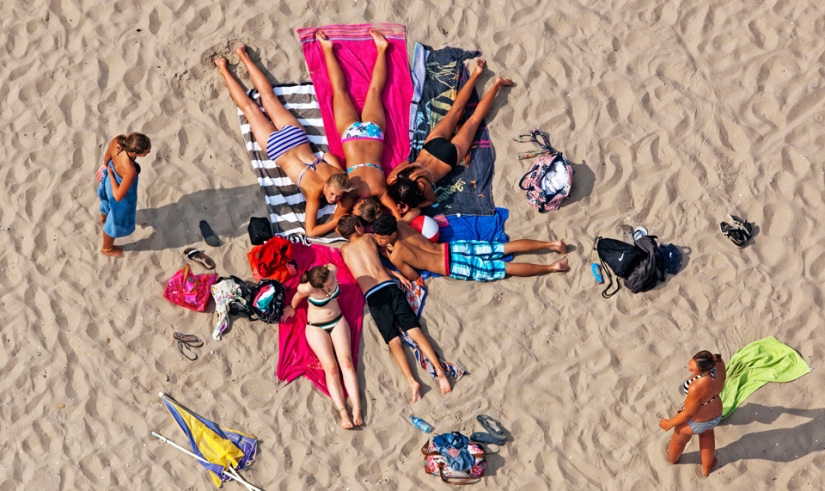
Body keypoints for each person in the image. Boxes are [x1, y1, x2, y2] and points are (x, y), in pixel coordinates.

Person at [215, 45, 356, 237]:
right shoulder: (315, 192)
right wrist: (336, 221)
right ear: (328, 186)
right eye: (333, 194)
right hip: (278, 149)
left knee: (266, 98)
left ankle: (240, 55)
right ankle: (223, 66)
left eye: (337, 196)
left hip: (296, 138)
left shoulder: (336, 173)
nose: (334, 199)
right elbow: (311, 232)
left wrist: (324, 161)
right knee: (250, 108)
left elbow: (329, 155)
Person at [336, 215, 451, 402]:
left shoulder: (344, 250)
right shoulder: (370, 238)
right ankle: (440, 371)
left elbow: (365, 266)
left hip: (373, 295)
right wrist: (396, 272)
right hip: (389, 286)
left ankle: (412, 382)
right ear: (358, 228)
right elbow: (378, 261)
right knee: (415, 331)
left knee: (394, 341)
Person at [386, 59, 513, 213]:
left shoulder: (422, 186)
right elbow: (406, 161)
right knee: (455, 110)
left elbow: (431, 200)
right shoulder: (396, 177)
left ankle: (497, 85)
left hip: (447, 158)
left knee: (473, 121)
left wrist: (412, 205)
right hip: (431, 147)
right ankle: (476, 73)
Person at [315, 30, 401, 219]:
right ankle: (328, 50)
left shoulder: (381, 191)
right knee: (339, 92)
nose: (351, 209)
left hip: (373, 134)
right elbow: (336, 221)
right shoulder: (351, 195)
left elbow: (398, 215)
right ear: (360, 203)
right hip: (350, 136)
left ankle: (382, 49)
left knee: (374, 91)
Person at [281, 264, 363, 429]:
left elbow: (331, 268)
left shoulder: (331, 270)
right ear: (319, 285)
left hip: (337, 320)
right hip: (316, 326)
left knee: (346, 363)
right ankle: (343, 412)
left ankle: (357, 408)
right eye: (329, 282)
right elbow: (297, 297)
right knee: (331, 368)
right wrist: (292, 307)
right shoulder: (307, 288)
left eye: (332, 279)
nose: (333, 281)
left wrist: (332, 275)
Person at [372, 215, 569, 282]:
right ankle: (553, 245)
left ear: (392, 235)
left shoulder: (396, 255)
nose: (379, 241)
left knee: (504, 268)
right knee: (504, 247)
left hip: (453, 266)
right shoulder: (401, 224)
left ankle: (552, 267)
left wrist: (387, 255)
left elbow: (414, 276)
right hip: (452, 248)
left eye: (382, 237)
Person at [659, 351, 726, 477]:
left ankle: (672, 461)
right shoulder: (719, 364)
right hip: (715, 414)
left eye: (693, 369)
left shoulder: (696, 387)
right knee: (707, 435)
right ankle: (707, 469)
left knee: (678, 440)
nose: (689, 369)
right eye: (690, 363)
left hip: (696, 421)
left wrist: (669, 423)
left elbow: (688, 413)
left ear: (703, 370)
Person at [96, 133, 151, 257]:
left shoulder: (118, 141)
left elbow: (107, 156)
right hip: (118, 189)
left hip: (109, 180)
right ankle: (107, 248)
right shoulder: (130, 170)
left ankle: (103, 217)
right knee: (115, 223)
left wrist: (105, 167)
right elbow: (118, 197)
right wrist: (112, 177)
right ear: (135, 153)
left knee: (106, 202)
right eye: (146, 152)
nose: (149, 152)